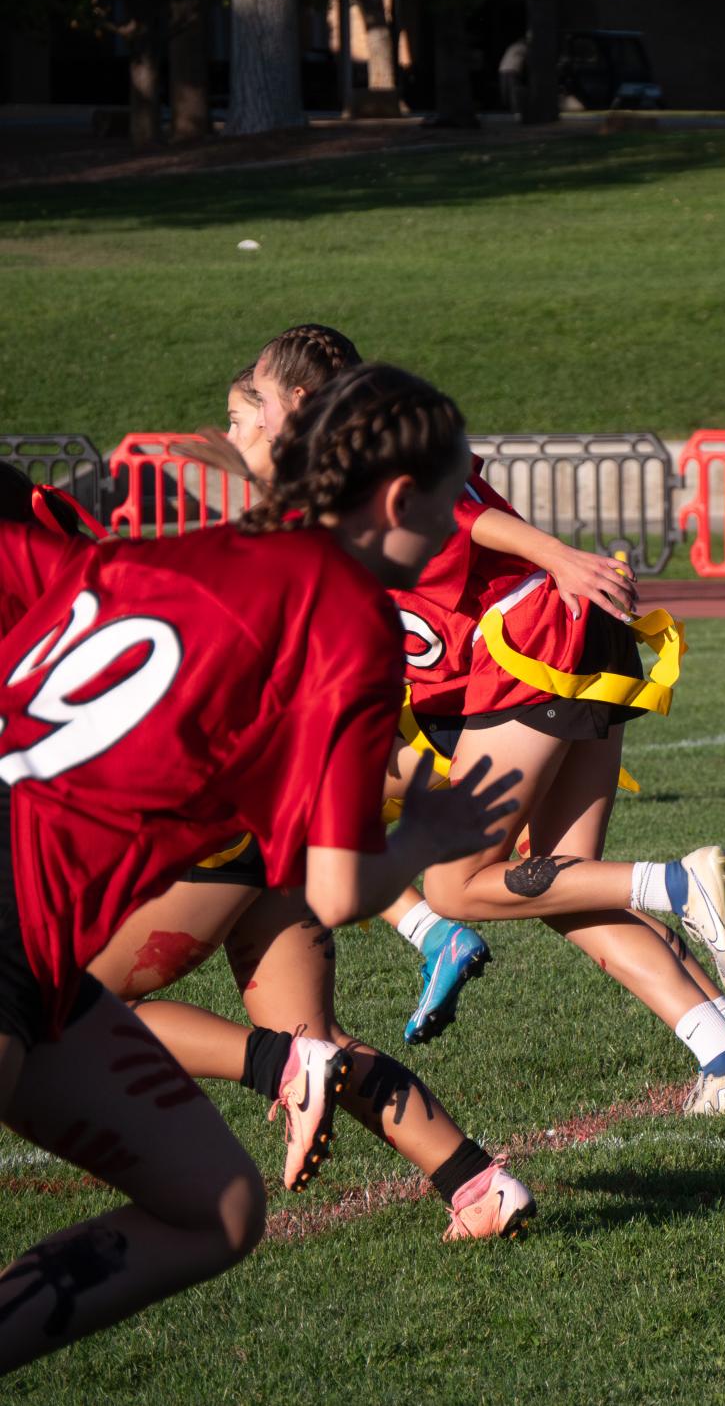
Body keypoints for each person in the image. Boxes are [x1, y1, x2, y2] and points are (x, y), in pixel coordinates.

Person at [0, 365, 521, 1373]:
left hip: (44, 960)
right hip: (13, 924)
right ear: (400, 498)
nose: (462, 517)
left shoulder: (169, 552)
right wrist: (428, 831)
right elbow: (334, 889)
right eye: (457, 493)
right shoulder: (348, 616)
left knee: (217, 1205)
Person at [252, 330, 725, 1111]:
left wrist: (561, 558)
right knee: (558, 883)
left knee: (458, 885)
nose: (248, 423)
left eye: (253, 404)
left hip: (532, 636)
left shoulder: (357, 446)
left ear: (299, 401)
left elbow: (466, 520)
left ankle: (675, 881)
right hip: (554, 634)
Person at [239, 328, 493, 1043]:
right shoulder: (317, 595)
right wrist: (415, 843)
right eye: (447, 506)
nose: (452, 526)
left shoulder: (292, 571)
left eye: (252, 406)